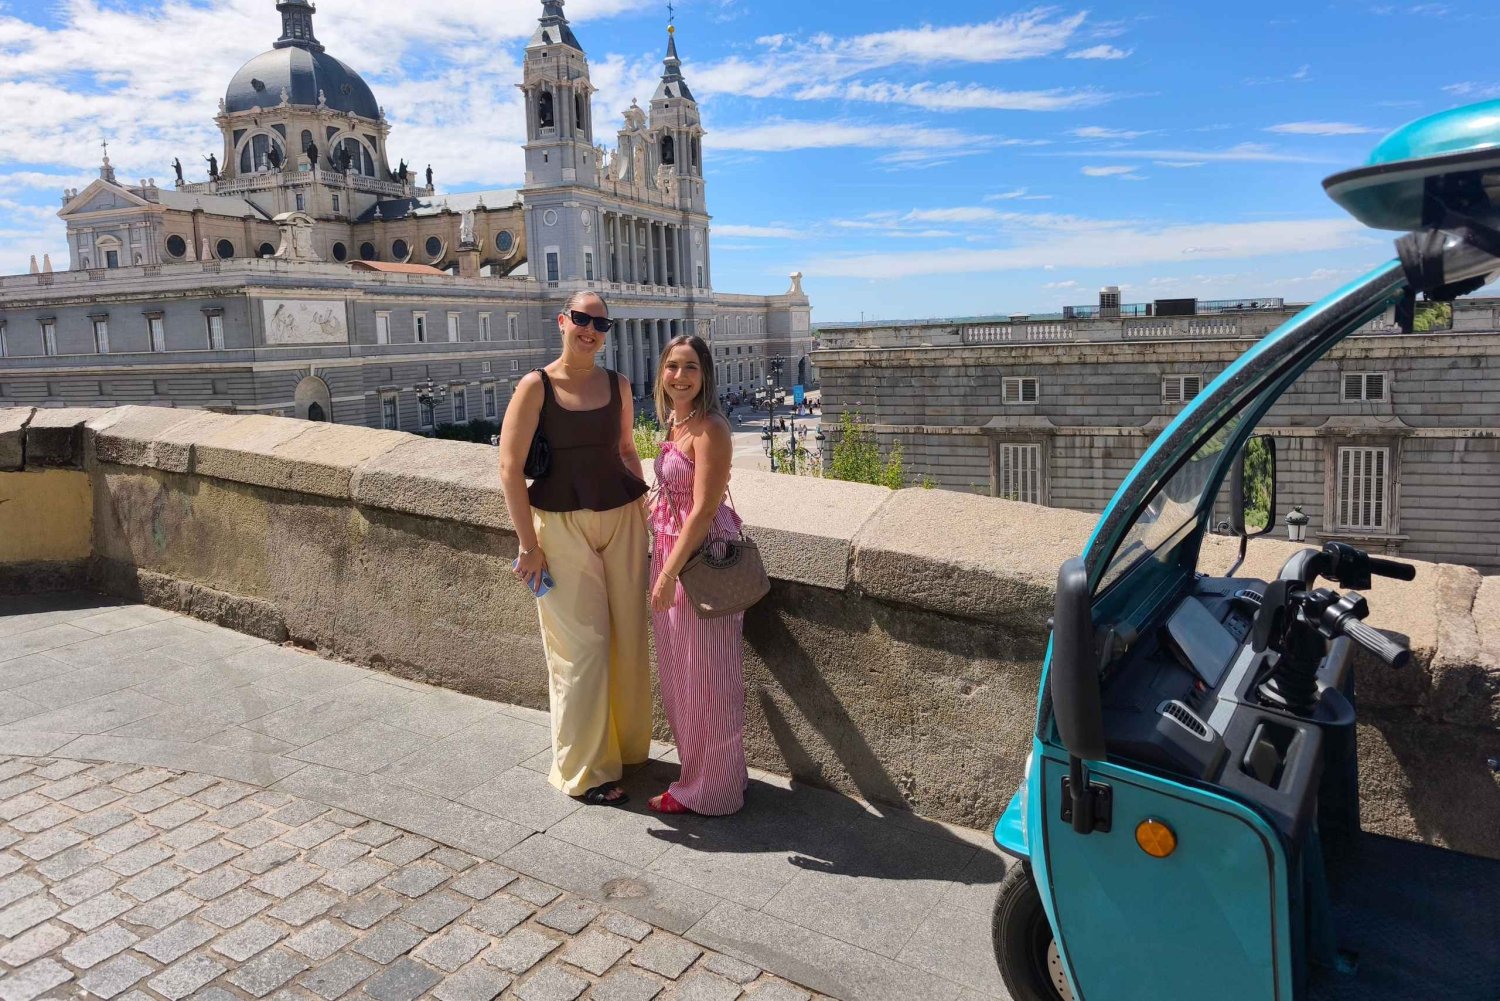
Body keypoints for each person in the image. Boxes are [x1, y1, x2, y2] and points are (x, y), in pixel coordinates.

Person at [499, 291, 650, 807]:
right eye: (581, 319)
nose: (590, 329)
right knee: (580, 649)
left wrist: (646, 509)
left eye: (600, 323)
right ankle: (583, 770)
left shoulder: (619, 384)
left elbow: (627, 448)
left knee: (628, 638)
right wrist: (527, 545)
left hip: (623, 520)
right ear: (562, 322)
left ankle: (625, 749)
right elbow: (509, 469)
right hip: (560, 527)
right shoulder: (534, 386)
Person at [647, 334, 748, 815]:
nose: (680, 377)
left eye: (690, 367)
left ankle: (713, 790)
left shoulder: (711, 428)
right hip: (670, 552)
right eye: (672, 367)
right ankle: (703, 777)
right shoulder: (676, 422)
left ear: (705, 374)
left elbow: (704, 509)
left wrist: (668, 574)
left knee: (708, 682)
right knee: (682, 681)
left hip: (698, 563)